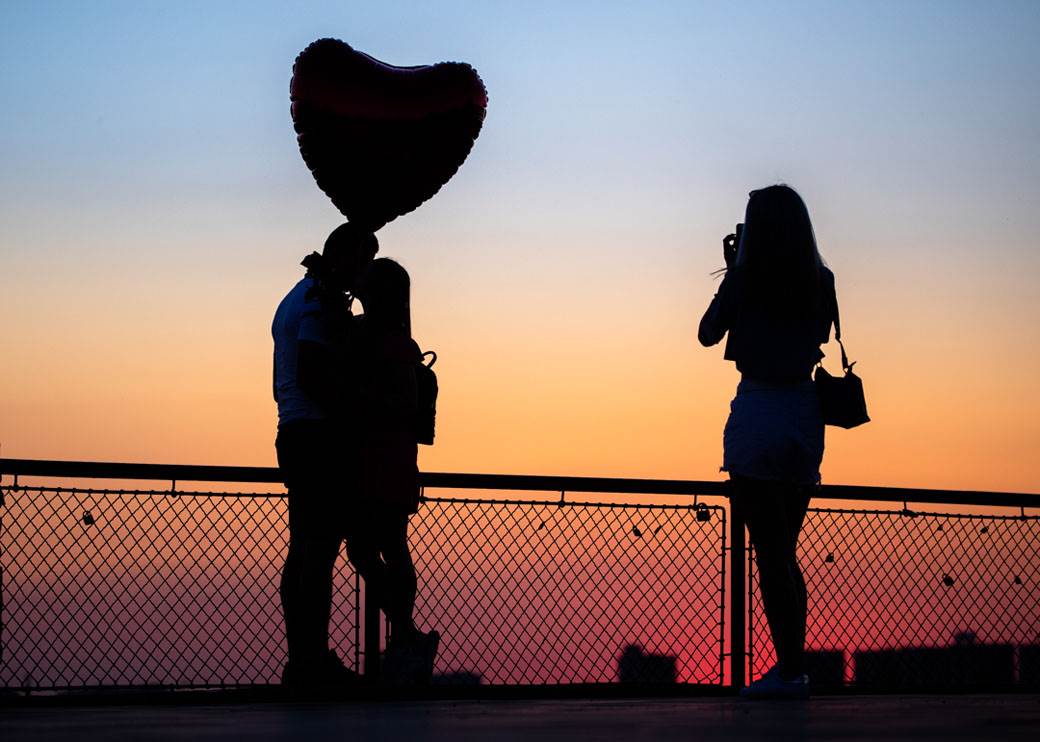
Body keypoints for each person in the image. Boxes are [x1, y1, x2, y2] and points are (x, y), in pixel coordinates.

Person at [698, 185, 837, 700]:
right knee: (787, 553)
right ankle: (793, 666)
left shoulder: (747, 279)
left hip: (759, 409)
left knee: (772, 554)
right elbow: (816, 332)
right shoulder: (821, 280)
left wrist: (736, 273)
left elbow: (707, 333)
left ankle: (791, 670)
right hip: (804, 413)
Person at [272, 222, 378, 688]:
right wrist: (351, 416)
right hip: (317, 436)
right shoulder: (320, 300)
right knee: (317, 553)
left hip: (297, 431)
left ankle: (304, 658)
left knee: (304, 551)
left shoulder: (300, 294)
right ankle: (311, 662)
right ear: (347, 259)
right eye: (363, 264)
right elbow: (314, 370)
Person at [348, 257, 439, 684]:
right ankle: (406, 635)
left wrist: (359, 399)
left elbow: (402, 404)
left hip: (383, 458)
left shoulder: (394, 345)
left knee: (377, 548)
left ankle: (405, 635)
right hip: (386, 458)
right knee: (381, 548)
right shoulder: (385, 338)